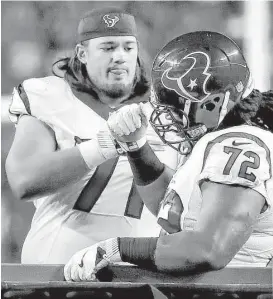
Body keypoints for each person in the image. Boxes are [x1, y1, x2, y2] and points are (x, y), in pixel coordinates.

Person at [64, 31, 273, 281]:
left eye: (175, 110)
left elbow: (209, 249)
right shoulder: (221, 141)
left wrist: (120, 249)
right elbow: (174, 207)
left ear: (212, 105)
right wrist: (135, 146)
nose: (169, 119)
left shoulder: (239, 146)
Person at [5, 7, 180, 264]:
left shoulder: (166, 111)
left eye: (128, 48)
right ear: (82, 53)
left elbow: (180, 205)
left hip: (143, 272)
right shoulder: (50, 96)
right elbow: (23, 180)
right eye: (108, 48)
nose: (120, 56)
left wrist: (138, 148)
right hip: (56, 272)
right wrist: (106, 144)